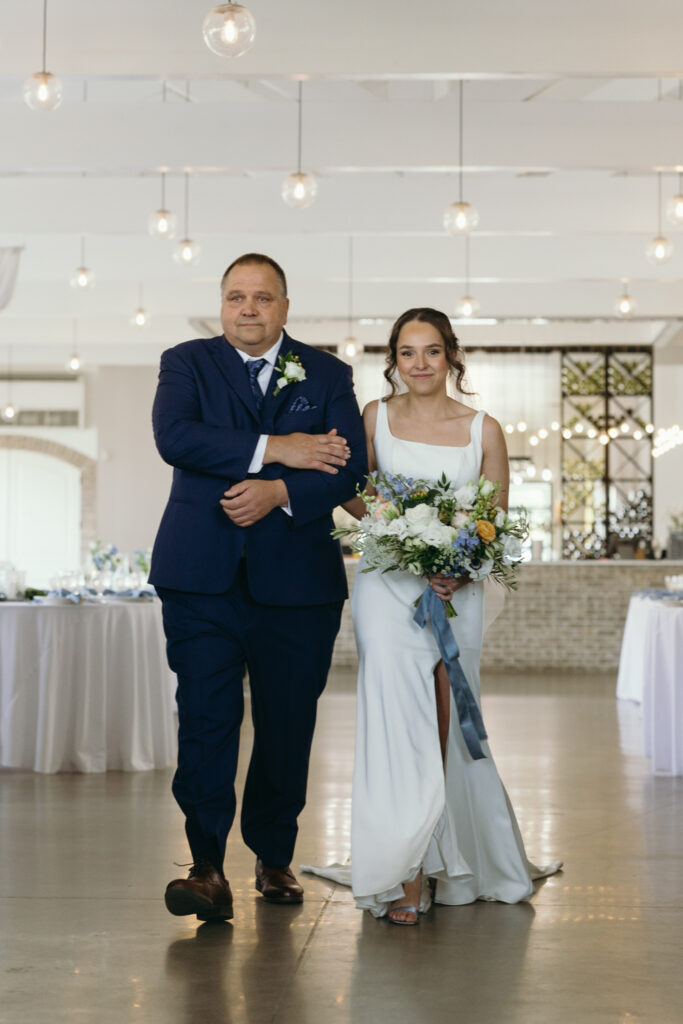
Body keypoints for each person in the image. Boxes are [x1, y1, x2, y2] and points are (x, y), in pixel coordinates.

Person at [150, 253, 367, 921]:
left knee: (285, 724)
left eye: (262, 298)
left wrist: (278, 491)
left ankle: (274, 856)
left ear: (284, 307)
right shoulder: (186, 362)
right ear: (222, 305)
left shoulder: (327, 373)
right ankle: (206, 866)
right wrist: (278, 446)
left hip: (298, 584)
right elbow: (176, 437)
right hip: (199, 577)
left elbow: (348, 468)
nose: (247, 308)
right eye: (235, 297)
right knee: (207, 720)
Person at [343, 308, 561, 925]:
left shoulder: (484, 429)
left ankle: (450, 857)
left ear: (451, 358)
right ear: (393, 360)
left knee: (445, 718)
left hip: (456, 591)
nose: (419, 364)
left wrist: (458, 562)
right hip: (388, 585)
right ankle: (402, 871)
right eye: (407, 353)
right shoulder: (374, 417)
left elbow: (493, 517)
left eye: (431, 352)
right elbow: (356, 491)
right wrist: (405, 533)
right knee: (396, 718)